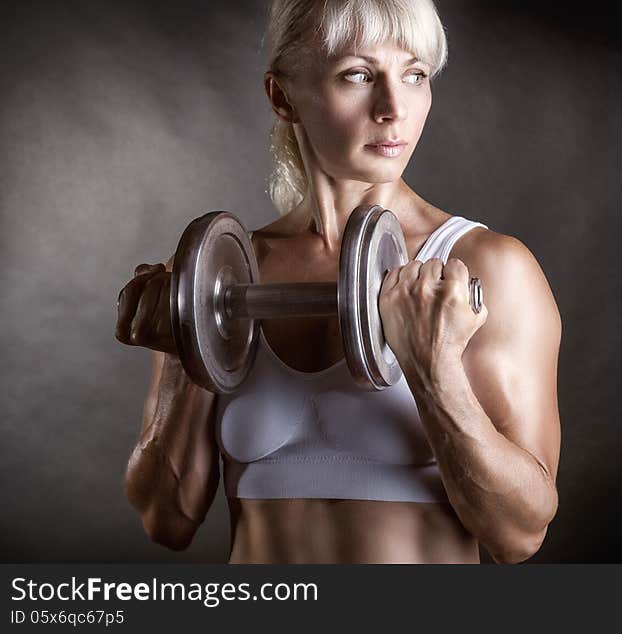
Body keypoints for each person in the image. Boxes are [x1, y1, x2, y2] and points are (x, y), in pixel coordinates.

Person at [116, 0, 561, 564]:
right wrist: (183, 359)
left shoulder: (485, 267)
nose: (393, 108)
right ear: (282, 96)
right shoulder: (220, 277)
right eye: (358, 74)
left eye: (415, 74)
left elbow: (519, 536)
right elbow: (166, 518)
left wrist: (434, 371)